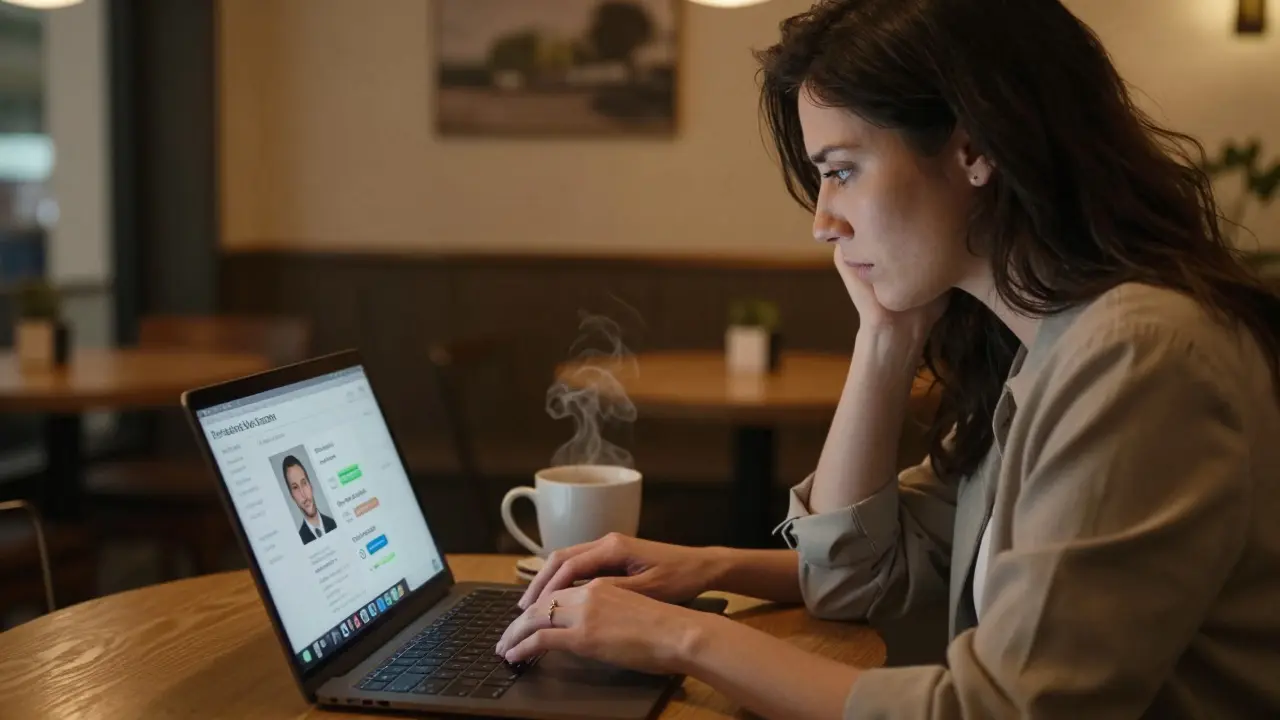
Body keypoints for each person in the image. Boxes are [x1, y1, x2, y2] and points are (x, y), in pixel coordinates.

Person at [494, 1, 1280, 718]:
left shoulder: (1137, 355)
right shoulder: (1043, 341)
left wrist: (680, 639)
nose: (822, 222)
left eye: (840, 171)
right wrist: (885, 339)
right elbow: (852, 575)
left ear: (973, 147)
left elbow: (1003, 712)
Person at [283, 454, 336, 544]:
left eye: (304, 483)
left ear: (310, 486)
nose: (303, 494)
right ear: (292, 497)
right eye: (295, 487)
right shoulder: (300, 541)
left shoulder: (334, 523)